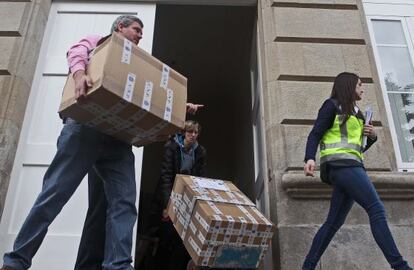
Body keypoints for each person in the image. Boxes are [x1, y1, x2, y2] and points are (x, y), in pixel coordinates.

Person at [0, 15, 146, 270]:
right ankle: (16, 261)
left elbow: (149, 94)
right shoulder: (97, 42)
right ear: (119, 27)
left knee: (124, 204)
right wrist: (79, 76)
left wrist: (176, 109)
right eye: (136, 29)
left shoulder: (136, 65)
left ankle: (119, 266)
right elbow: (76, 52)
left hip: (118, 141)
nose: (140, 35)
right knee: (54, 194)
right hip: (85, 129)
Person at [302, 72, 412, 270]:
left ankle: (307, 267)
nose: (362, 88)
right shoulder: (332, 105)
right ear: (349, 85)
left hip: (349, 167)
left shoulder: (358, 114)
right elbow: (315, 133)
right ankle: (401, 267)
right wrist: (309, 158)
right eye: (360, 84)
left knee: (332, 224)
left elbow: (358, 147)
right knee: (376, 209)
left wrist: (372, 136)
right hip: (342, 167)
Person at [143, 120, 206, 270]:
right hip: (169, 194)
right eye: (190, 131)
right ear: (184, 132)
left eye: (196, 132)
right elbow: (166, 176)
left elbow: (200, 178)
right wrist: (167, 204)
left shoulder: (200, 151)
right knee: (166, 236)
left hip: (188, 198)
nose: (193, 135)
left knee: (182, 242)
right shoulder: (171, 147)